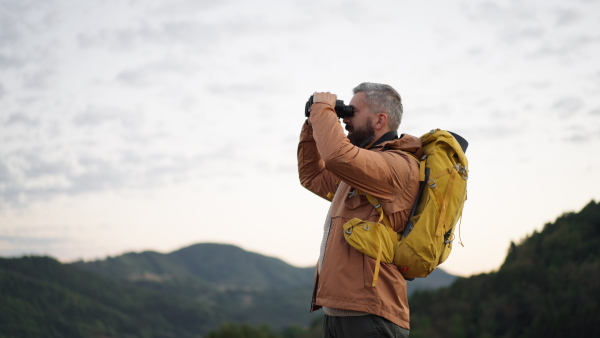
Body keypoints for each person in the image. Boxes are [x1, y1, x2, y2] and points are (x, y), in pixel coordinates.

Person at [297, 82, 423, 337]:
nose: (344, 117)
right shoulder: (358, 172)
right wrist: (314, 123)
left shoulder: (396, 165)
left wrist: (323, 109)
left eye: (352, 111)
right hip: (339, 311)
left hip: (371, 315)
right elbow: (312, 175)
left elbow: (335, 156)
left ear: (380, 120)